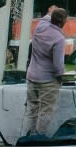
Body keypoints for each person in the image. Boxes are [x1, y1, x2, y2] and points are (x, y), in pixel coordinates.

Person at [25, 7, 68, 137]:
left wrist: (52, 10)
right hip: (48, 80)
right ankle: (39, 137)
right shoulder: (59, 38)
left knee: (32, 109)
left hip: (32, 75)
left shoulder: (40, 27)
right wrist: (61, 78)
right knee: (45, 111)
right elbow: (58, 65)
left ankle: (27, 135)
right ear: (63, 22)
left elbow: (46, 16)